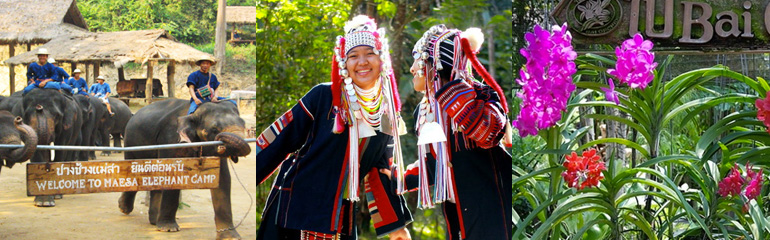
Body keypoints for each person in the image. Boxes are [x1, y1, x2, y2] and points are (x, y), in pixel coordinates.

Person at [254, 15, 412, 240]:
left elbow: (380, 170)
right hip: (296, 211)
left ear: (382, 59)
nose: (362, 62)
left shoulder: (386, 112)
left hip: (341, 216)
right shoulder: (324, 97)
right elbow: (279, 140)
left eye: (370, 53)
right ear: (344, 63)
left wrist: (396, 226)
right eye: (353, 56)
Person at [404, 25, 512, 239]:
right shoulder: (423, 111)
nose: (412, 68)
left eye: (418, 58)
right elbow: (440, 166)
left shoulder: (481, 95)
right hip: (459, 219)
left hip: (494, 214)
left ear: (434, 62)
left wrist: (449, 89)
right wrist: (401, 178)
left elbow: (488, 135)